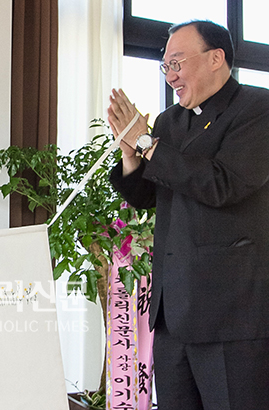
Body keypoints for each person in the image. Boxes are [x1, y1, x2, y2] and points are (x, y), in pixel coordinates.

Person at [107, 20, 269, 410]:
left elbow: (223, 184)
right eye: (165, 66)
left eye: (177, 62)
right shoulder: (168, 122)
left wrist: (146, 143)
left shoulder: (258, 108)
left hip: (231, 315)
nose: (171, 75)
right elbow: (146, 197)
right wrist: (131, 155)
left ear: (217, 58)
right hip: (172, 314)